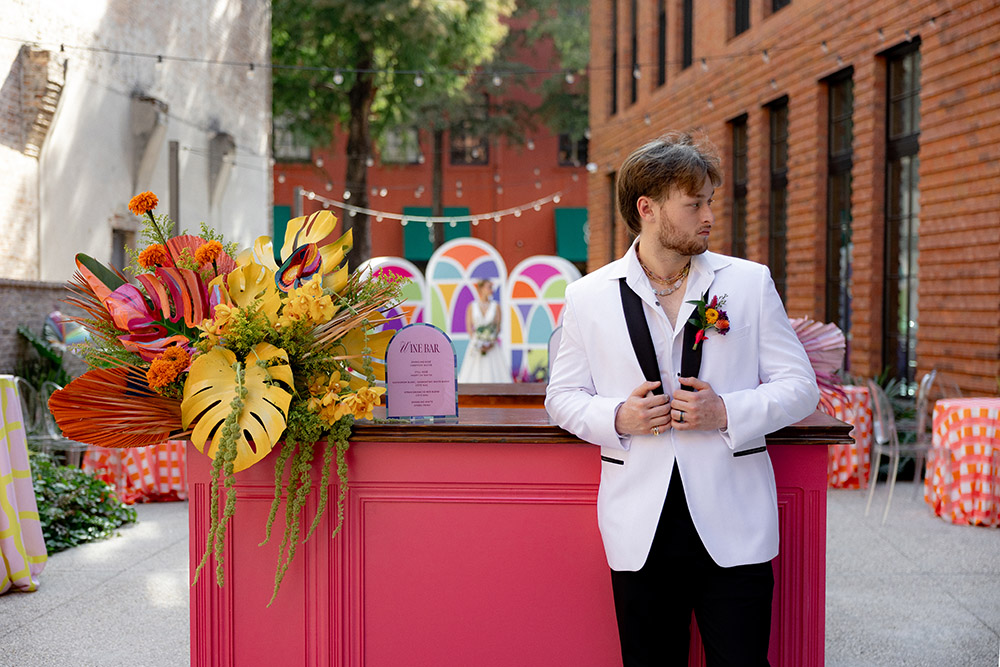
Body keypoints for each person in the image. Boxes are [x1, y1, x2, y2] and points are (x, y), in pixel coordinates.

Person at [545, 131, 818, 666]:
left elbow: (800, 387)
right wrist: (618, 416)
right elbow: (561, 397)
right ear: (647, 209)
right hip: (638, 525)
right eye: (695, 204)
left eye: (710, 201)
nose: (709, 216)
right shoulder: (587, 296)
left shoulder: (748, 283)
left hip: (735, 520)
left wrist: (727, 412)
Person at [457, 279, 511, 383]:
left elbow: (498, 327)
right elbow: (469, 327)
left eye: (492, 287)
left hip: (491, 345)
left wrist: (490, 341)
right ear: (481, 289)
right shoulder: (472, 306)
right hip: (477, 345)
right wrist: (478, 342)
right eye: (489, 287)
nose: (491, 290)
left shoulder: (496, 306)